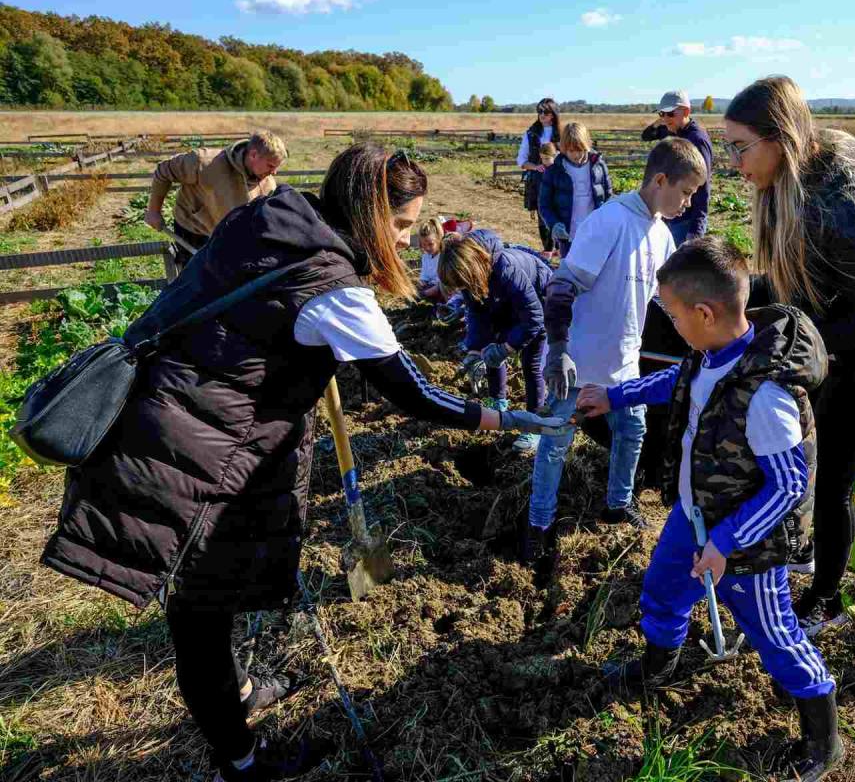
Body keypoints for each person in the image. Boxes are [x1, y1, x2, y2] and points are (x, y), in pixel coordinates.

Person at [41, 145, 567, 782]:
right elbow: (413, 394)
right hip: (194, 450)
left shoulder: (273, 218)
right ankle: (240, 761)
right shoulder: (332, 287)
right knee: (199, 609)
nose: (405, 241)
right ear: (371, 212)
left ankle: (237, 692)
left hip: (162, 408)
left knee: (207, 597)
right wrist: (507, 418)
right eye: (401, 226)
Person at [580, 238, 842, 781]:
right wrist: (615, 396)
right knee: (663, 588)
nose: (670, 324)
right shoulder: (710, 354)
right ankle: (659, 665)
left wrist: (725, 542)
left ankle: (823, 738)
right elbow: (678, 384)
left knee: (776, 634)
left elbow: (789, 484)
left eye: (672, 314)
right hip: (692, 516)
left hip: (748, 544)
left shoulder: (767, 395)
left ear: (704, 312)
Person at [724, 75, 855, 637]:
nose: (734, 162)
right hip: (835, 349)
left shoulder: (842, 204)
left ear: (779, 138)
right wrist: (731, 295)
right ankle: (805, 556)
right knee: (808, 466)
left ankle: (825, 601)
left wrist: (790, 348)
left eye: (740, 147)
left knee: (835, 480)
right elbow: (795, 288)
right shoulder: (785, 192)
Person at [525, 137, 707, 567]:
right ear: (660, 179)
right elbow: (561, 287)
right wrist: (557, 350)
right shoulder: (608, 223)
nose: (687, 204)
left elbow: (666, 301)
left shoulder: (661, 234)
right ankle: (539, 524)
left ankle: (617, 505)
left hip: (625, 365)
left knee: (632, 432)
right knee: (554, 442)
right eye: (685, 193)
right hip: (578, 364)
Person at [437, 228, 554, 453]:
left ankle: (535, 424)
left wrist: (507, 348)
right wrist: (474, 350)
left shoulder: (506, 268)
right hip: (507, 305)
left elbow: (534, 318)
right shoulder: (472, 277)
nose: (463, 290)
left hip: (541, 303)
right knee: (490, 349)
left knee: (531, 366)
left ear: (472, 269)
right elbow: (477, 314)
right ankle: (498, 403)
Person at [145, 131, 288, 258]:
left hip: (227, 237)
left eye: (276, 167)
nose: (274, 172)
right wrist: (153, 211)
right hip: (193, 231)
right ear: (254, 155)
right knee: (194, 281)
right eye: (270, 166)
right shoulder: (204, 162)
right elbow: (163, 172)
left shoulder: (268, 184)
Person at [641, 90, 713, 245]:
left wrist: (696, 229)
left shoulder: (697, 139)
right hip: (668, 214)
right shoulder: (670, 131)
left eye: (671, 113)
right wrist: (661, 122)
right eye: (662, 113)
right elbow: (645, 135)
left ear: (686, 111)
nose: (666, 118)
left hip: (685, 221)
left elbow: (703, 186)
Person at [538, 122, 613, 257]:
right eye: (571, 151)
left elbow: (608, 199)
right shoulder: (554, 171)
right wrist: (554, 224)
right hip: (568, 236)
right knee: (570, 273)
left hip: (594, 234)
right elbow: (544, 204)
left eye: (580, 150)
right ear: (563, 148)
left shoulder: (599, 167)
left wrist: (606, 223)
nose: (576, 155)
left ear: (587, 146)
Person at [516, 98, 561, 252]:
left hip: (560, 180)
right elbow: (521, 160)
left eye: (545, 111)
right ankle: (548, 249)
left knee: (561, 212)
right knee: (543, 214)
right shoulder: (531, 134)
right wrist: (535, 167)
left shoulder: (562, 134)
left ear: (553, 114)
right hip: (539, 180)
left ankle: (560, 249)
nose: (541, 115)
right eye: (539, 111)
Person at [417, 217, 446, 301]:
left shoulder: (444, 255)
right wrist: (422, 282)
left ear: (439, 239)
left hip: (442, 287)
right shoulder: (425, 257)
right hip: (430, 285)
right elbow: (425, 274)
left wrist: (433, 290)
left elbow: (445, 280)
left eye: (431, 244)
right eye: (423, 244)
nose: (427, 248)